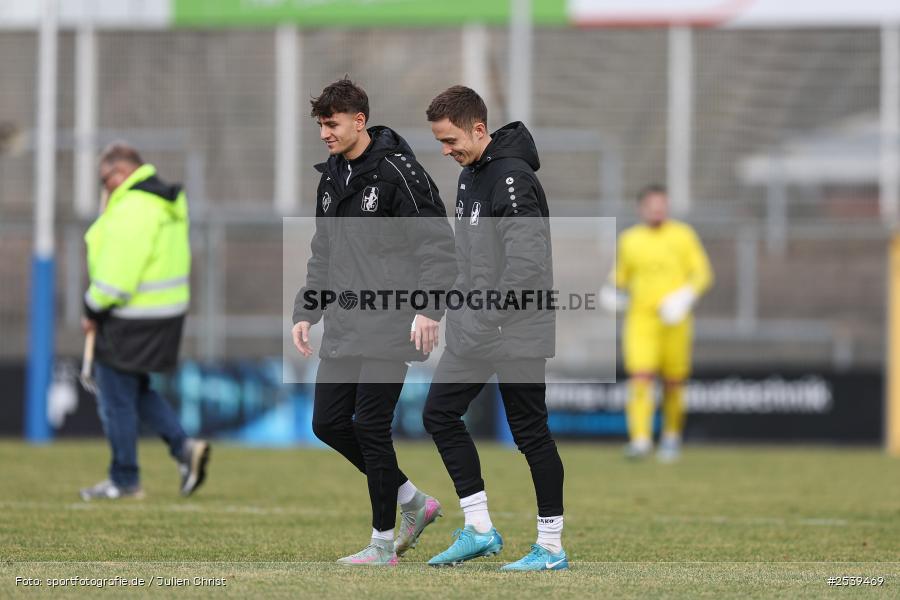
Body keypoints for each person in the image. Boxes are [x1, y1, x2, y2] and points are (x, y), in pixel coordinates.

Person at [290, 77, 456, 566]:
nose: (325, 133)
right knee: (327, 422)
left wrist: (428, 308)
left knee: (371, 426)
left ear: (359, 121)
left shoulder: (400, 173)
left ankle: (383, 545)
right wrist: (308, 309)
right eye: (320, 125)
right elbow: (324, 251)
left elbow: (437, 247)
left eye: (332, 124)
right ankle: (412, 502)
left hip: (391, 321)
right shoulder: (332, 177)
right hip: (345, 323)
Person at [422, 86, 568, 571]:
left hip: (516, 327)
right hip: (478, 326)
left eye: (451, 140)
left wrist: (485, 314)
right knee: (439, 413)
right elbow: (469, 259)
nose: (447, 151)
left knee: (530, 434)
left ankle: (550, 548)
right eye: (440, 142)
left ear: (478, 129)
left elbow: (525, 265)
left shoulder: (511, 177)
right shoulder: (471, 176)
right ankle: (479, 528)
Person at [79, 142, 210, 501]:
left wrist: (91, 308)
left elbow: (118, 276)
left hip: (130, 316)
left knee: (114, 396)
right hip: (164, 316)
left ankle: (124, 480)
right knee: (134, 389)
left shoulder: (134, 206)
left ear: (119, 174)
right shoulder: (163, 200)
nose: (104, 191)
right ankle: (183, 448)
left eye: (104, 182)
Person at [601, 184, 713, 461]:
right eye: (652, 204)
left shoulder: (684, 236)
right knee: (640, 377)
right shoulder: (630, 240)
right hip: (641, 320)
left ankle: (671, 437)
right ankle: (640, 439)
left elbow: (702, 274)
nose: (658, 209)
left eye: (662, 203)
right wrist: (610, 292)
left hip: (676, 321)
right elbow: (619, 277)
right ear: (641, 208)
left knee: (674, 382)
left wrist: (684, 297)